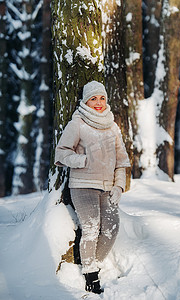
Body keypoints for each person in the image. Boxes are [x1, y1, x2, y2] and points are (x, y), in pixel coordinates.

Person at [55, 81, 131, 294]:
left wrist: (119, 187)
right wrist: (82, 160)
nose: (98, 103)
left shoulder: (112, 125)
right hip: (83, 185)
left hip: (108, 187)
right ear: (86, 101)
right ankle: (91, 275)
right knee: (91, 228)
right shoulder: (78, 123)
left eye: (102, 98)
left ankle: (92, 263)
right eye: (94, 98)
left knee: (112, 227)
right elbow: (61, 153)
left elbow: (122, 160)